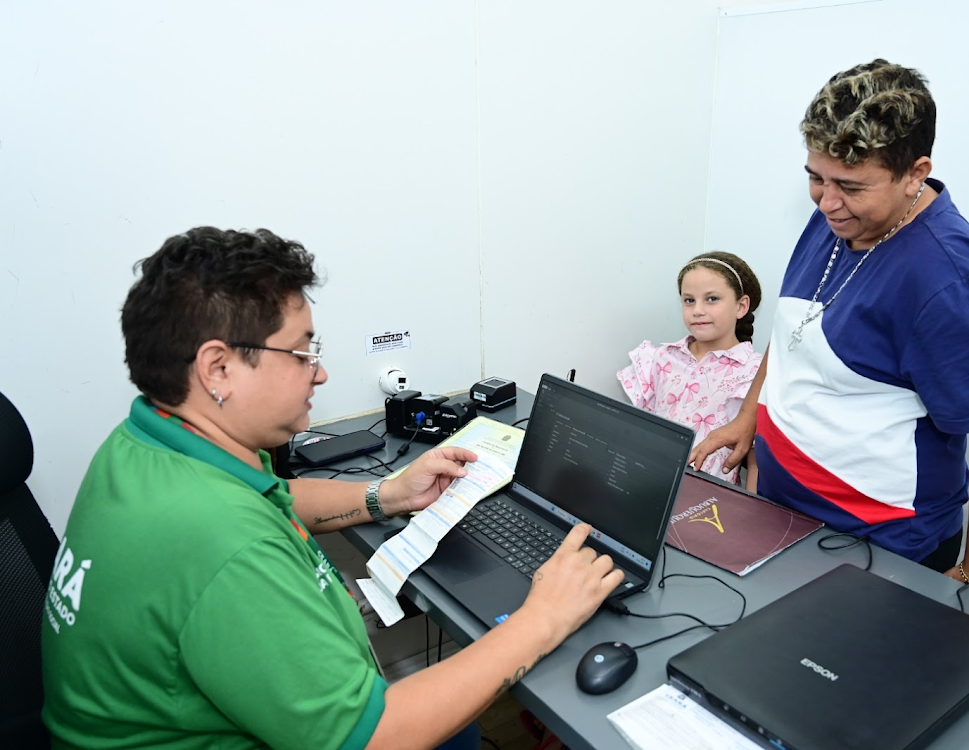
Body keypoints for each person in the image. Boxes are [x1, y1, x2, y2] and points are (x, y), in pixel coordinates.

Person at [40, 227, 624, 750]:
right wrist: (541, 619)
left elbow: (276, 500)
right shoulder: (219, 542)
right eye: (301, 352)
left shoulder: (145, 445)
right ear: (218, 369)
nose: (319, 372)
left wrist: (387, 494)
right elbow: (371, 738)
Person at [690, 60, 969, 592]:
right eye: (814, 177)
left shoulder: (948, 280)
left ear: (915, 172)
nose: (826, 201)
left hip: (880, 543)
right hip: (786, 514)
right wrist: (749, 415)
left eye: (849, 185)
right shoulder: (843, 212)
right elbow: (794, 332)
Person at [618, 251, 763, 483]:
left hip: (709, 503)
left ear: (741, 306)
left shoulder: (754, 372)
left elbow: (757, 458)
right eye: (689, 300)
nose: (697, 310)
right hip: (650, 484)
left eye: (712, 299)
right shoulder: (662, 357)